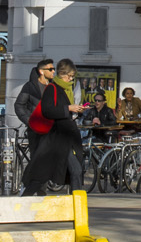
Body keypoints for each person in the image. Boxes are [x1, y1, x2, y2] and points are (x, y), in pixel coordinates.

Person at [21, 59, 92, 193]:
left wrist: (76, 111)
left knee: (75, 171)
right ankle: (25, 199)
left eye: (72, 76)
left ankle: (75, 205)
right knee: (42, 174)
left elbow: (65, 112)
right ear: (62, 73)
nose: (71, 79)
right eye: (69, 76)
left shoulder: (67, 89)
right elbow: (47, 110)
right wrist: (68, 108)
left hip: (65, 138)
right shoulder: (52, 88)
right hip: (55, 139)